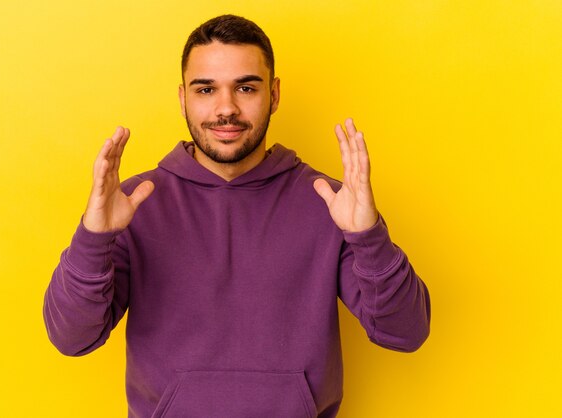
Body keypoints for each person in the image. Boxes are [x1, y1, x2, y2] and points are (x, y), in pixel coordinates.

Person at [43, 14, 431, 418]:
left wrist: (367, 236)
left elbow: (406, 332)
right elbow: (72, 338)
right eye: (206, 89)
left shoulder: (331, 203)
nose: (225, 108)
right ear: (182, 99)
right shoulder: (134, 204)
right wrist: (92, 239)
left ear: (274, 94)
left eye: (245, 87)